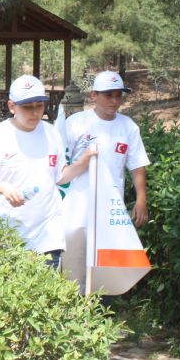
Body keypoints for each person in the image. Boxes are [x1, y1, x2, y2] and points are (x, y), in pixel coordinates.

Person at [0, 75, 95, 270]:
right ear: (12, 106)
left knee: (47, 289)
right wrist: (3, 188)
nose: (35, 112)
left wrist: (84, 161)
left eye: (39, 105)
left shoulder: (51, 133)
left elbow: (60, 176)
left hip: (48, 232)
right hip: (9, 231)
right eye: (27, 107)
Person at [62, 70, 151, 288]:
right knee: (75, 252)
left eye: (118, 95)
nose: (114, 100)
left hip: (110, 204)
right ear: (94, 95)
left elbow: (137, 165)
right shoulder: (76, 123)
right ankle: (71, 299)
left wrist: (141, 199)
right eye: (108, 95)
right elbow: (61, 163)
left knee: (104, 256)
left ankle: (99, 304)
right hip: (77, 202)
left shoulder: (128, 126)